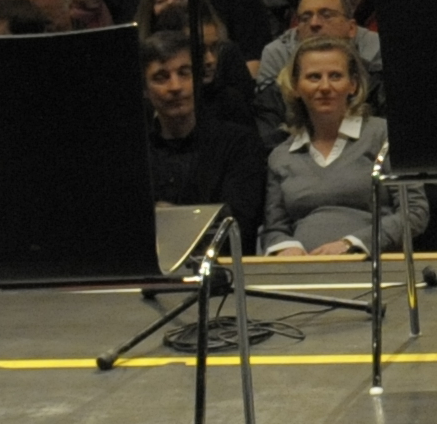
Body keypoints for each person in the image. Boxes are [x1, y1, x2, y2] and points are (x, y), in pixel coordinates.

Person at [263, 39, 418, 260]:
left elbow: (413, 212)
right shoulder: (280, 156)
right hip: (302, 271)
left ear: (353, 84)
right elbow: (274, 229)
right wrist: (286, 247)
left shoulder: (384, 134)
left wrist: (351, 244)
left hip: (373, 266)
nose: (325, 87)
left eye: (335, 76)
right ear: (296, 86)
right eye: (314, 77)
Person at [139, 31, 267, 245]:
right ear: (144, 89)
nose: (175, 87)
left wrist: (167, 218)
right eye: (161, 77)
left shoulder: (239, 144)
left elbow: (237, 228)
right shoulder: (135, 153)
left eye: (184, 73)